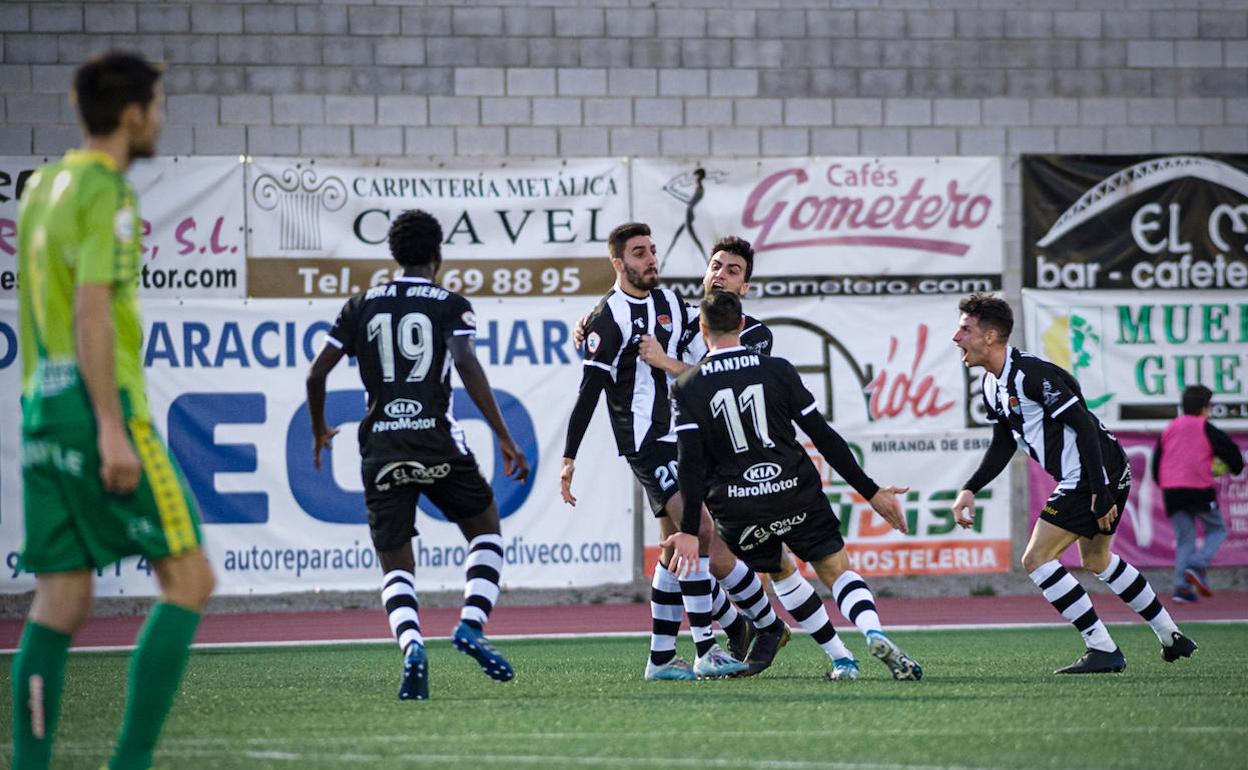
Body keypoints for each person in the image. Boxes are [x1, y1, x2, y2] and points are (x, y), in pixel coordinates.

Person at [12, 52, 216, 770]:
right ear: (134, 113)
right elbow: (91, 306)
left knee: (61, 600)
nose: (159, 117)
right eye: (157, 104)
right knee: (191, 580)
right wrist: (109, 427)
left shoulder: (44, 187)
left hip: (40, 407)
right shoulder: (107, 191)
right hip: (98, 410)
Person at [306, 209, 530, 700]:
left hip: (381, 447)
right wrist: (504, 436)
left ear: (393, 254)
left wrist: (320, 428)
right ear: (437, 253)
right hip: (437, 440)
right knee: (486, 529)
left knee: (396, 565)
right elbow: (466, 362)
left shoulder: (359, 304)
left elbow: (316, 374)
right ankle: (471, 625)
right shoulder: (450, 303)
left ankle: (411, 646)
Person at [668, 291, 922, 681]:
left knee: (783, 573)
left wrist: (688, 531)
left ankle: (842, 660)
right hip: (794, 490)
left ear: (702, 331)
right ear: (741, 326)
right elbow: (823, 435)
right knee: (836, 571)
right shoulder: (778, 370)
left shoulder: (687, 386)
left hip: (738, 509)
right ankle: (873, 631)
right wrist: (871, 491)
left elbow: (690, 466)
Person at [949, 292, 1197, 674]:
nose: (956, 337)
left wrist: (1099, 489)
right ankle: (1171, 635)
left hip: (1092, 474)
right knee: (1096, 559)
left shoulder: (1031, 374)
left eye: (965, 328)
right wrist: (971, 487)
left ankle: (1102, 648)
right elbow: (1003, 441)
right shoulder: (990, 384)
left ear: (992, 335)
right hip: (1102, 472)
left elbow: (1081, 422)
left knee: (1035, 559)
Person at [560, 222, 760, 680]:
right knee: (700, 531)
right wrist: (569, 457)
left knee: (676, 548)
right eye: (638, 253)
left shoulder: (670, 303)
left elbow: (720, 322)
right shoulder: (607, 319)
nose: (651, 259)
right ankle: (711, 645)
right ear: (618, 264)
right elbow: (589, 391)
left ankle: (662, 659)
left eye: (652, 250)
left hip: (683, 438)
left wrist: (734, 297)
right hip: (647, 445)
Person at [1152, 385, 1244, 603]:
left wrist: (1165, 484)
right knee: (1217, 529)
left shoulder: (1170, 428)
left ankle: (1182, 588)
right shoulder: (1206, 427)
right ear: (1206, 407)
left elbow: (1157, 462)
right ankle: (1197, 564)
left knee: (1185, 539)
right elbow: (1233, 455)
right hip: (1198, 490)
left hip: (1171, 491)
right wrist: (1234, 467)